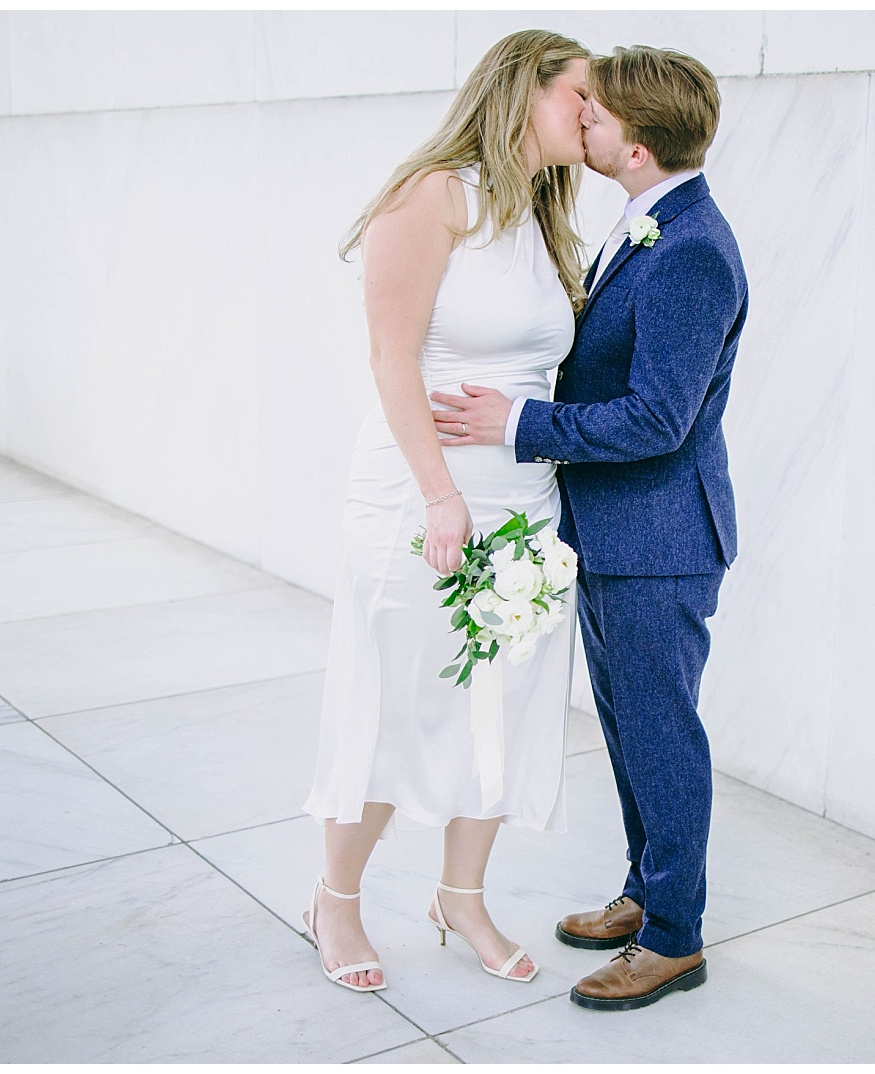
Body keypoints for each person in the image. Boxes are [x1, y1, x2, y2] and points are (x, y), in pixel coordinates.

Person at [431, 44, 747, 1011]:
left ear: (639, 148)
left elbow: (660, 417)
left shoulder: (689, 249)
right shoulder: (647, 222)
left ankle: (673, 939)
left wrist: (520, 426)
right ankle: (645, 890)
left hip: (659, 542)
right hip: (617, 535)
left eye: (597, 116)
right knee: (628, 728)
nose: (583, 124)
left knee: (661, 734)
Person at [300, 28, 591, 993]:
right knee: (397, 706)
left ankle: (459, 897)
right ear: (520, 94)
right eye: (576, 100)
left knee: (498, 712)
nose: (590, 118)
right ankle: (333, 902)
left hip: (522, 502)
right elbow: (391, 357)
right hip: (422, 496)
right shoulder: (433, 195)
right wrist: (440, 497)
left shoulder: (547, 212)